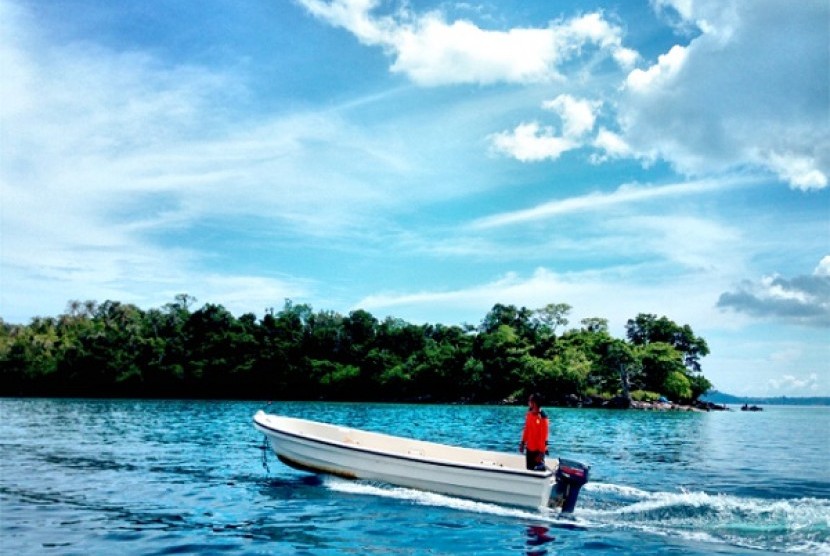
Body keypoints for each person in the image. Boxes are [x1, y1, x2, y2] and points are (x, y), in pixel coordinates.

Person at [519, 393, 549, 471]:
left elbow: (544, 437)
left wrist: (542, 453)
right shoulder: (529, 414)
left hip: (538, 452)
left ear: (534, 403)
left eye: (529, 401)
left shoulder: (543, 417)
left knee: (538, 473)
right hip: (529, 449)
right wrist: (522, 443)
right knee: (529, 470)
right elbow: (526, 429)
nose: (528, 402)